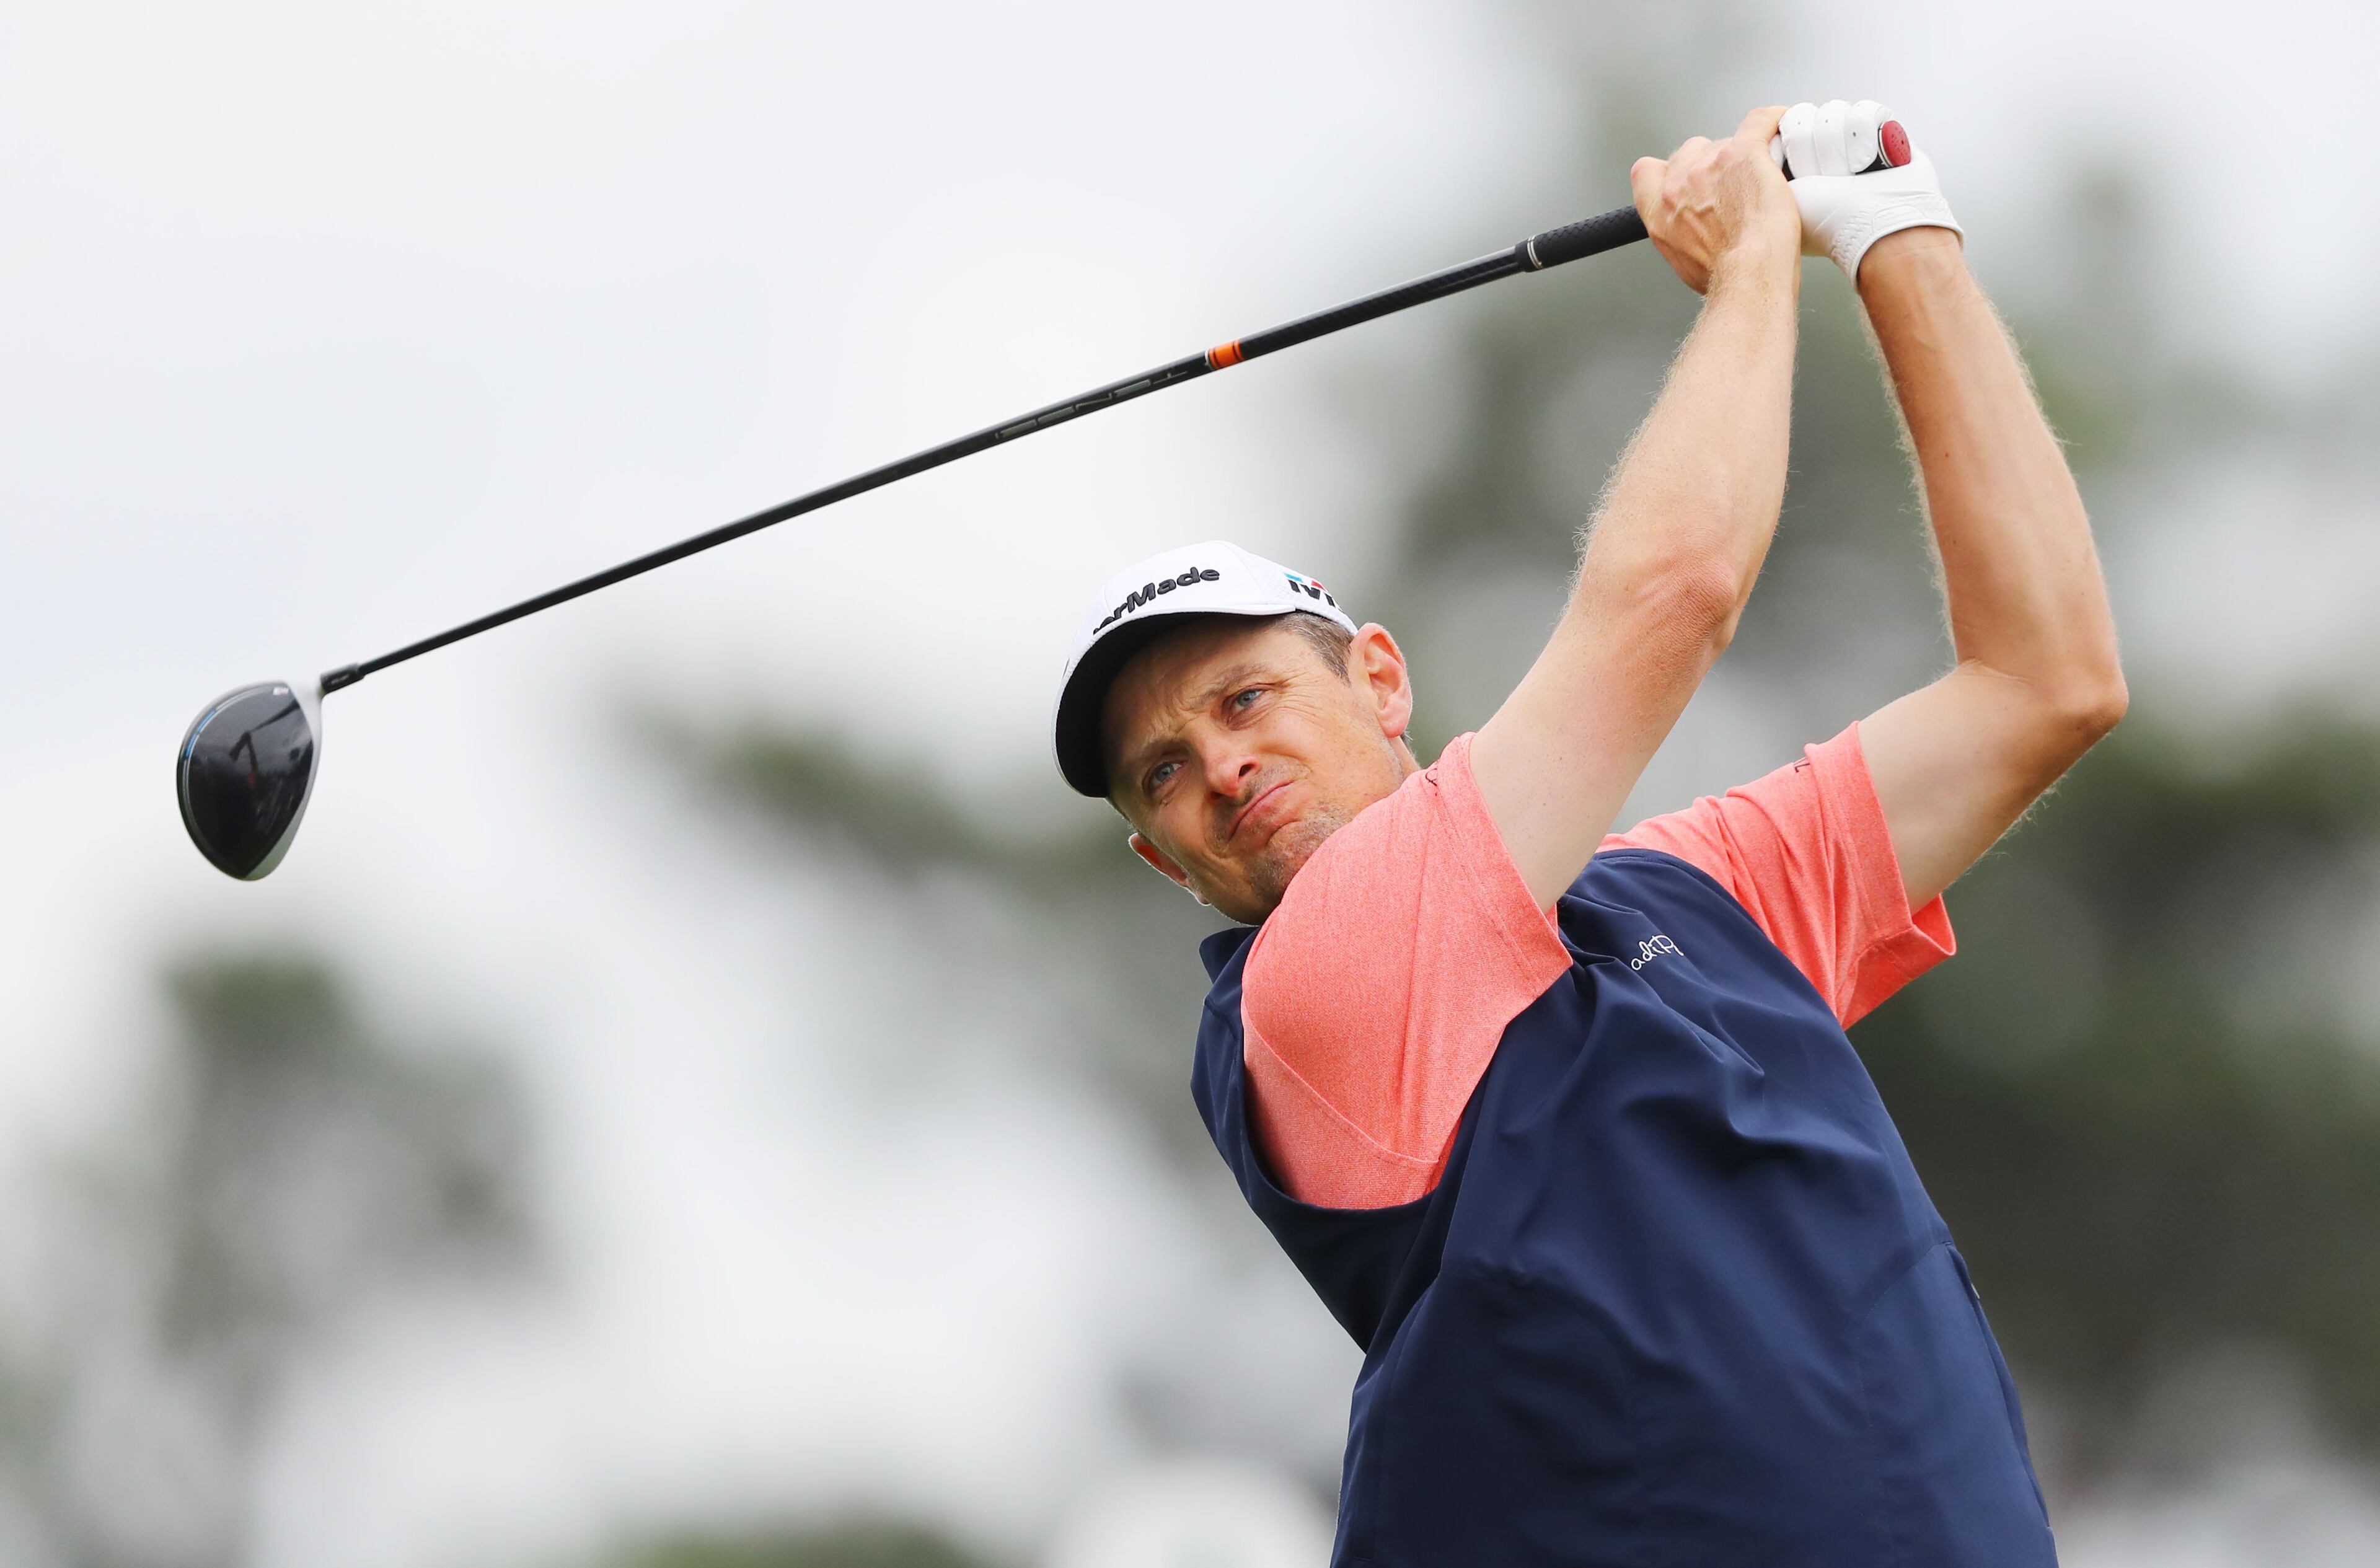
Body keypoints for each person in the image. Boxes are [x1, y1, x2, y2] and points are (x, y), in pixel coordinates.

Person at [1049, 100, 2122, 1566]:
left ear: (1379, 675)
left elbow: (2044, 679)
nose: (1223, 767)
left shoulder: (1690, 897)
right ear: (1161, 858)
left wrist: (1893, 227)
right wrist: (1753, 262)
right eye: (1163, 773)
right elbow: (1674, 591)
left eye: (1245, 698)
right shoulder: (1319, 989)